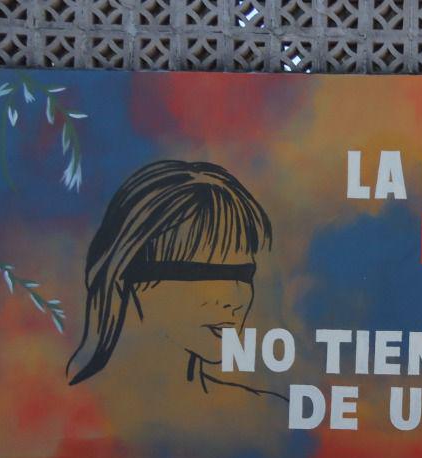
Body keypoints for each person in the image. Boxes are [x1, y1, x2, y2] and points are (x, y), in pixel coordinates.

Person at [67, 159, 276, 399]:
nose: (233, 298)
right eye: (203, 274)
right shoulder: (71, 412)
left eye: (242, 274)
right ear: (125, 276)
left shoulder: (257, 417)